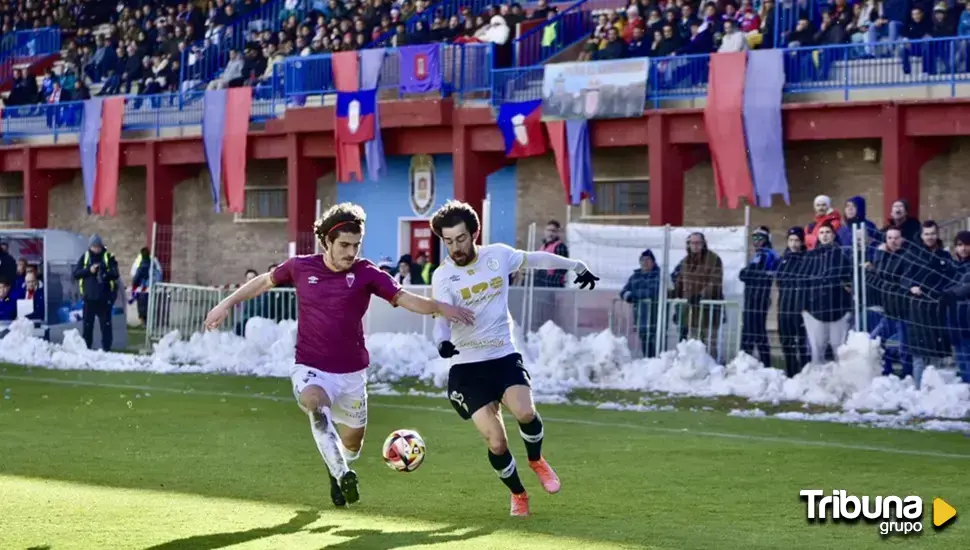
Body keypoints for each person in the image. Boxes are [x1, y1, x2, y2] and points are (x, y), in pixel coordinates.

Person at [202, 203, 474, 508]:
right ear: (326, 243)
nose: (350, 252)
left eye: (356, 245)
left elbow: (406, 299)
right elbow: (263, 282)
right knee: (317, 408)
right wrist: (225, 304)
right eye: (344, 245)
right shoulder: (301, 267)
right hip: (311, 368)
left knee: (353, 442)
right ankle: (343, 473)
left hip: (353, 375)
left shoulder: (367, 272)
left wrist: (441, 306)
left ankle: (337, 468)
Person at [428, 200, 599, 517]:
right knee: (496, 443)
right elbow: (440, 319)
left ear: (474, 233)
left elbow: (535, 259)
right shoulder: (443, 276)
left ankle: (536, 460)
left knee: (525, 411)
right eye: (448, 241)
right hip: (467, 367)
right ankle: (519, 494)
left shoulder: (498, 256)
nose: (455, 247)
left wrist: (576, 265)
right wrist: (442, 344)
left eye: (461, 238)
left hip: (503, 356)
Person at [72, 234, 120, 350]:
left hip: (104, 299)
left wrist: (104, 274)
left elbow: (115, 273)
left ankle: (106, 349)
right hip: (89, 299)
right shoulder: (85, 257)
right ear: (90, 247)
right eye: (94, 247)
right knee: (87, 326)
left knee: (106, 327)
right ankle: (87, 348)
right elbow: (76, 274)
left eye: (98, 247)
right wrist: (89, 270)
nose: (96, 249)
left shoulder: (108, 257)